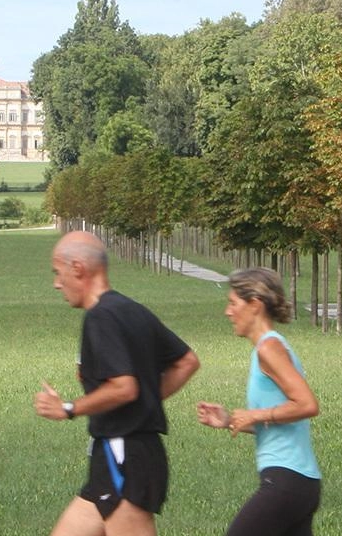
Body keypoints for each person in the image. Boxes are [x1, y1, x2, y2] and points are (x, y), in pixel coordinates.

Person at [35, 230, 200, 536]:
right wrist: (146, 403)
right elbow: (187, 361)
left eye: (58, 273)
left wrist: (69, 408)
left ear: (78, 269)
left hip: (124, 453)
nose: (56, 283)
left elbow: (124, 387)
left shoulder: (102, 317)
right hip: (117, 453)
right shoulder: (131, 310)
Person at [197, 267, 321, 536]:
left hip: (286, 480)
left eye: (232, 303)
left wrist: (254, 415)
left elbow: (307, 405)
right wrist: (232, 420)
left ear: (254, 305)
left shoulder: (269, 348)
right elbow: (283, 418)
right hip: (299, 482)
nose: (227, 312)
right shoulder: (268, 348)